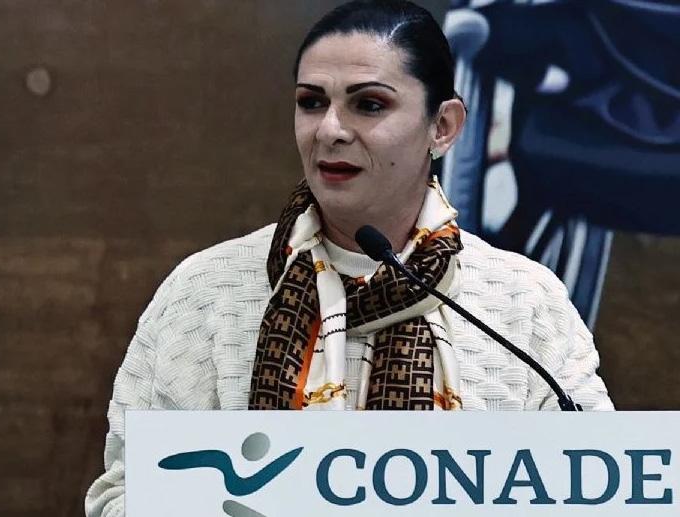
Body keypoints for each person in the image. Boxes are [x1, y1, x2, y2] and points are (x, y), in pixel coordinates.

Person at [85, 1, 613, 515]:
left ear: (443, 126)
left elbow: (598, 494)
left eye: (370, 104)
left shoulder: (523, 304)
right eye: (311, 102)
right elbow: (122, 496)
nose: (330, 130)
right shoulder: (206, 293)